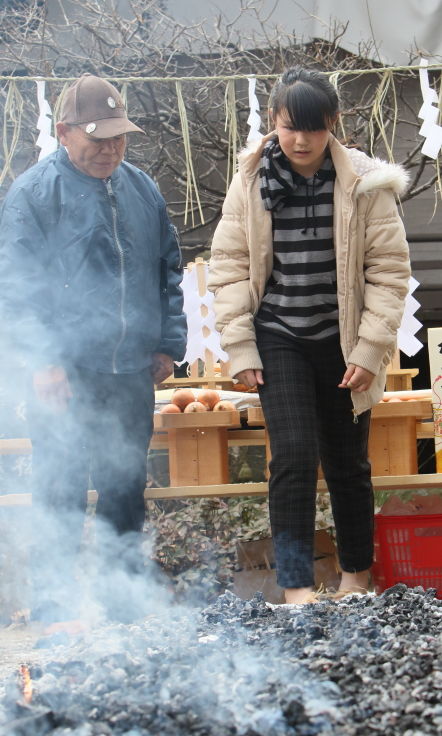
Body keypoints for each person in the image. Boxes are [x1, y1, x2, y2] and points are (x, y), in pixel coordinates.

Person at [208, 66, 410, 604]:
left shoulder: (365, 183)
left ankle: (355, 580)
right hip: (278, 335)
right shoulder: (250, 180)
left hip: (344, 339)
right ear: (274, 120)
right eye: (289, 126)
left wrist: (370, 350)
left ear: (333, 124)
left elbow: (389, 274)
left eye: (314, 128)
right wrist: (241, 347)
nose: (300, 140)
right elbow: (226, 267)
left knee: (348, 463)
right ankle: (296, 585)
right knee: (292, 458)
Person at [0, 74, 187, 627]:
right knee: (59, 486)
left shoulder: (141, 187)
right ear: (63, 132)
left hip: (130, 368)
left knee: (126, 486)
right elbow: (16, 286)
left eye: (118, 138)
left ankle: (123, 604)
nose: (109, 148)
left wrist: (168, 344)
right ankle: (56, 609)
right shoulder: (34, 193)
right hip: (65, 371)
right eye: (96, 137)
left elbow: (167, 269)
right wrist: (43, 361)